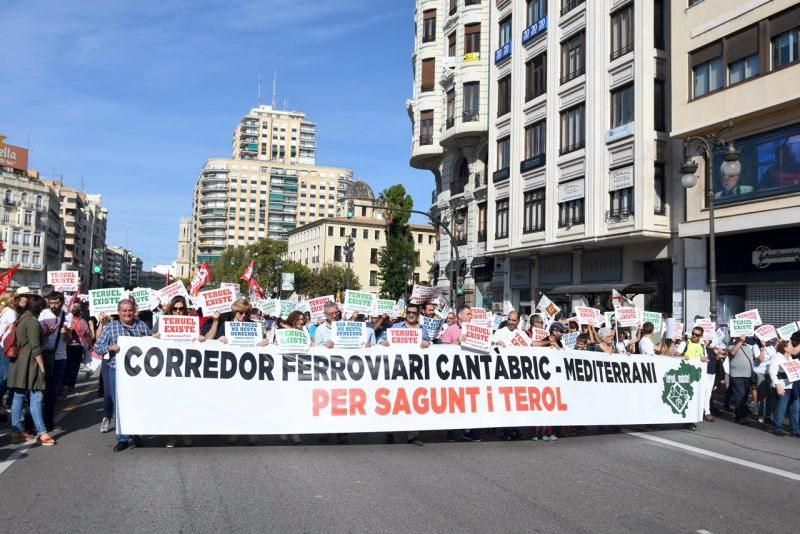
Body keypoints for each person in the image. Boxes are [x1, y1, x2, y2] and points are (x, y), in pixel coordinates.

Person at [94, 298, 153, 452]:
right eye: (124, 311)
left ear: (134, 311)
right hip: (117, 371)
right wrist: (110, 347)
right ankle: (122, 438)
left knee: (137, 403)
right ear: (119, 312)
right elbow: (98, 347)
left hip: (139, 373)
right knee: (120, 405)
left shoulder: (142, 326)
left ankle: (135, 433)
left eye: (130, 310)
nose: (127, 313)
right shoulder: (111, 328)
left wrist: (155, 338)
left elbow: (151, 342)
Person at [7, 295, 55, 445]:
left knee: (18, 397)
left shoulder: (21, 318)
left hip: (17, 363)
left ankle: (17, 432)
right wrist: (42, 366)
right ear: (38, 307)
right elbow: (35, 347)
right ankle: (42, 433)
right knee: (37, 397)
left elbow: (27, 340)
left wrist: (44, 335)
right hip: (30, 363)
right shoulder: (33, 321)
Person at [38, 291, 72, 432]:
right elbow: (38, 335)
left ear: (62, 302)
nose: (53, 306)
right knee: (40, 392)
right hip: (44, 356)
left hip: (59, 358)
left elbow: (69, 340)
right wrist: (47, 333)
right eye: (51, 303)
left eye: (56, 303)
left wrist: (67, 332)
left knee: (52, 392)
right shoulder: (44, 314)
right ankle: (37, 422)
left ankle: (48, 422)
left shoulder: (67, 315)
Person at [770, 340, 799, 437]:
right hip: (783, 386)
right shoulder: (777, 357)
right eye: (790, 346)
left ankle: (795, 430)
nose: (792, 347)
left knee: (794, 408)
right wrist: (778, 385)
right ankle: (777, 428)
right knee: (781, 408)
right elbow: (772, 372)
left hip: (792, 386)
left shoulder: (790, 357)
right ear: (785, 348)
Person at [727, 334, 756, 425]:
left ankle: (739, 414)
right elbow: (732, 353)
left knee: (745, 396)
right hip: (737, 375)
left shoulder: (748, 347)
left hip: (748, 375)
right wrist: (740, 341)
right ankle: (741, 417)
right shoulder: (731, 345)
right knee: (740, 395)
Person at [63, 302, 91, 394]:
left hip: (68, 346)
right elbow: (87, 335)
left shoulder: (68, 320)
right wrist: (90, 345)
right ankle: (71, 385)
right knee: (75, 367)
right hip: (79, 347)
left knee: (68, 366)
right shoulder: (83, 322)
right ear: (80, 312)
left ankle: (65, 384)